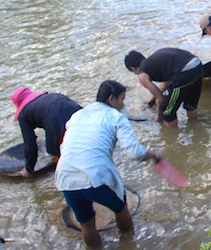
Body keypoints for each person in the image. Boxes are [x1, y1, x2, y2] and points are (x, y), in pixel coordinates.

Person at [55, 80, 160, 248]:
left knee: (87, 225)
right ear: (112, 99)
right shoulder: (115, 117)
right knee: (121, 209)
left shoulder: (78, 115)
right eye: (122, 99)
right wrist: (155, 155)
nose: (123, 104)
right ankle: (128, 243)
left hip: (65, 178)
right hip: (95, 177)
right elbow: (135, 152)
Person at [10, 87, 82, 178]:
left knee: (60, 155)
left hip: (58, 123)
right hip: (80, 114)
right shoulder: (48, 97)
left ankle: (72, 182)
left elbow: (30, 146)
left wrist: (29, 169)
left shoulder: (23, 114)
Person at [124, 48, 204, 128]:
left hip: (184, 72)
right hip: (197, 65)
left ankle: (171, 137)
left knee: (167, 113)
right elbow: (167, 82)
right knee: (190, 105)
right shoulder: (154, 61)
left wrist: (159, 117)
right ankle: (194, 127)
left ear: (133, 69)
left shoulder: (142, 75)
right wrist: (153, 98)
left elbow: (160, 100)